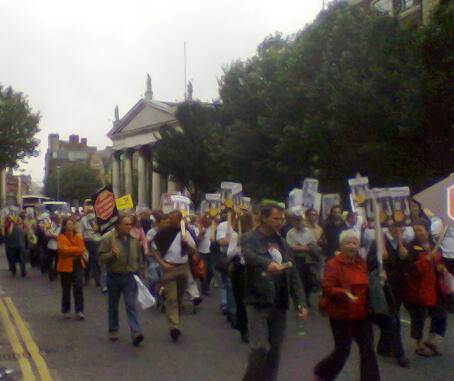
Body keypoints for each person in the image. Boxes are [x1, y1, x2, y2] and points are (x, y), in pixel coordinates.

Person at [241, 203, 307, 381]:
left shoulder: (283, 243)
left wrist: (301, 303)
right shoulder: (250, 238)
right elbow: (248, 254)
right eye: (275, 218)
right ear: (263, 218)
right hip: (257, 300)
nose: (280, 222)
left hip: (279, 304)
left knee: (275, 352)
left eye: (281, 218)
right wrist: (266, 263)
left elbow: (293, 276)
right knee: (260, 348)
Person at [313, 229, 380, 381]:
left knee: (368, 349)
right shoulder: (333, 264)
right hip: (341, 315)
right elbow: (327, 288)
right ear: (341, 245)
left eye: (355, 243)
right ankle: (323, 373)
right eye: (348, 243)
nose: (352, 246)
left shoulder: (361, 263)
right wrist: (344, 293)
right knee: (342, 350)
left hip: (362, 315)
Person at [402, 220, 448, 356]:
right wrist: (426, 259)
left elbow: (439, 261)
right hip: (418, 288)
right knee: (419, 317)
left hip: (434, 287)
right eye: (416, 230)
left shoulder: (435, 244)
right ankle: (419, 345)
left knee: (440, 313)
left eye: (421, 230)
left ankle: (431, 340)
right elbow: (412, 269)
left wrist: (440, 266)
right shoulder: (411, 247)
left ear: (427, 230)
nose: (418, 233)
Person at [99, 214, 145, 346]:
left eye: (130, 224)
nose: (129, 227)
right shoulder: (108, 238)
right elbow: (101, 258)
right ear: (118, 225)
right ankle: (113, 330)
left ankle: (136, 332)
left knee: (131, 305)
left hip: (129, 276)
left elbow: (138, 256)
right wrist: (111, 254)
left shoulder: (134, 239)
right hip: (114, 276)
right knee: (113, 305)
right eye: (126, 224)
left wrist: (140, 269)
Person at [367, 225, 410, 367]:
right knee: (394, 319)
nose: (399, 228)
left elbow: (407, 265)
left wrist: (405, 255)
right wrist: (380, 259)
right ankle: (400, 353)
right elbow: (369, 263)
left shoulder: (402, 242)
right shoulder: (379, 241)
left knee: (389, 318)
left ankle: (383, 347)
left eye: (401, 226)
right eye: (395, 225)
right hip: (384, 287)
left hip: (398, 287)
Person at [152, 210, 197, 342]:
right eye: (170, 219)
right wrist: (161, 263)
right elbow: (153, 249)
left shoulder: (186, 232)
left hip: (183, 268)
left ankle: (175, 318)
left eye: (174, 219)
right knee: (171, 298)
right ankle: (174, 326)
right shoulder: (162, 233)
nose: (171, 221)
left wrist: (186, 242)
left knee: (178, 297)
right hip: (169, 268)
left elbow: (193, 251)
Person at [286, 210, 322, 307]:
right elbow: (291, 247)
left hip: (308, 260)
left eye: (300, 220)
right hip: (296, 260)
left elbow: (313, 245)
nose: (298, 223)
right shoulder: (290, 233)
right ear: (293, 222)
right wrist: (305, 247)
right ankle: (300, 301)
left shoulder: (308, 232)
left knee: (309, 281)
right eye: (296, 221)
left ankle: (307, 296)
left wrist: (301, 247)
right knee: (298, 281)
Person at [230, 211, 255, 343]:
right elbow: (231, 253)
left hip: (249, 268)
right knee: (241, 299)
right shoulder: (236, 235)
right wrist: (239, 247)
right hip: (241, 268)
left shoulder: (255, 236)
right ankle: (244, 328)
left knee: (243, 300)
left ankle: (246, 327)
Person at [57, 218, 86, 320]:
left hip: (77, 265)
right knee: (66, 290)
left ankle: (79, 311)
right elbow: (62, 250)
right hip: (64, 267)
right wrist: (75, 249)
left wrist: (70, 249)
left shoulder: (78, 236)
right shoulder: (61, 237)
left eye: (71, 224)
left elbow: (82, 249)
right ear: (64, 226)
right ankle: (66, 310)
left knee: (78, 288)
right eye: (68, 224)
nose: (70, 226)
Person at [79, 200, 103, 288]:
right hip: (88, 241)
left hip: (96, 241)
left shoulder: (98, 218)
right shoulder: (83, 219)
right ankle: (88, 278)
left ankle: (96, 279)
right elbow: (80, 233)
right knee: (88, 260)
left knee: (94, 261)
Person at [197, 215, 214, 296]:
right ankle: (204, 289)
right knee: (204, 272)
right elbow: (197, 241)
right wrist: (201, 234)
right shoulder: (199, 229)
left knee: (211, 271)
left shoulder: (212, 228)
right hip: (202, 253)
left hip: (210, 252)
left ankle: (206, 285)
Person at [45, 214, 62, 281]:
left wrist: (51, 235)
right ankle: (51, 274)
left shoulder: (61, 227)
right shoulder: (51, 225)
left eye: (59, 219)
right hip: (50, 246)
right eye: (57, 219)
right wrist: (52, 235)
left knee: (57, 261)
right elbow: (46, 233)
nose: (58, 220)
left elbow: (58, 236)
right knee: (50, 261)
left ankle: (55, 273)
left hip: (57, 246)